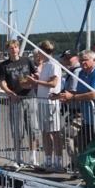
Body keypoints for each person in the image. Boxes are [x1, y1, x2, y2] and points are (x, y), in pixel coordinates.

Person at [59, 49, 95, 158]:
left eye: (85, 60)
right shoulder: (82, 73)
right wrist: (63, 96)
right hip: (88, 117)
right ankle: (82, 167)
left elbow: (93, 94)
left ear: (94, 60)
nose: (82, 63)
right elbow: (80, 91)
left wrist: (73, 97)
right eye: (81, 61)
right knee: (81, 143)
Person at [0, 40, 39, 169]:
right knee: (17, 130)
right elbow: (2, 82)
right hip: (15, 99)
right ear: (8, 50)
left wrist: (34, 80)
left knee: (33, 129)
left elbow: (36, 75)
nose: (14, 50)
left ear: (18, 48)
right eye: (11, 48)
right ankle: (18, 158)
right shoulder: (4, 65)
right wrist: (9, 92)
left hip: (30, 97)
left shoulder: (27, 60)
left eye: (15, 47)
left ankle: (33, 158)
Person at [31, 41, 63, 171]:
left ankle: (58, 162)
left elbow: (54, 83)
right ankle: (48, 160)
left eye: (39, 50)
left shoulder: (53, 64)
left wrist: (37, 81)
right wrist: (37, 80)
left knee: (55, 133)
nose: (38, 53)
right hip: (43, 102)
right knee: (45, 132)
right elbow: (47, 82)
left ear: (42, 50)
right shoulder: (46, 65)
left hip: (51, 103)